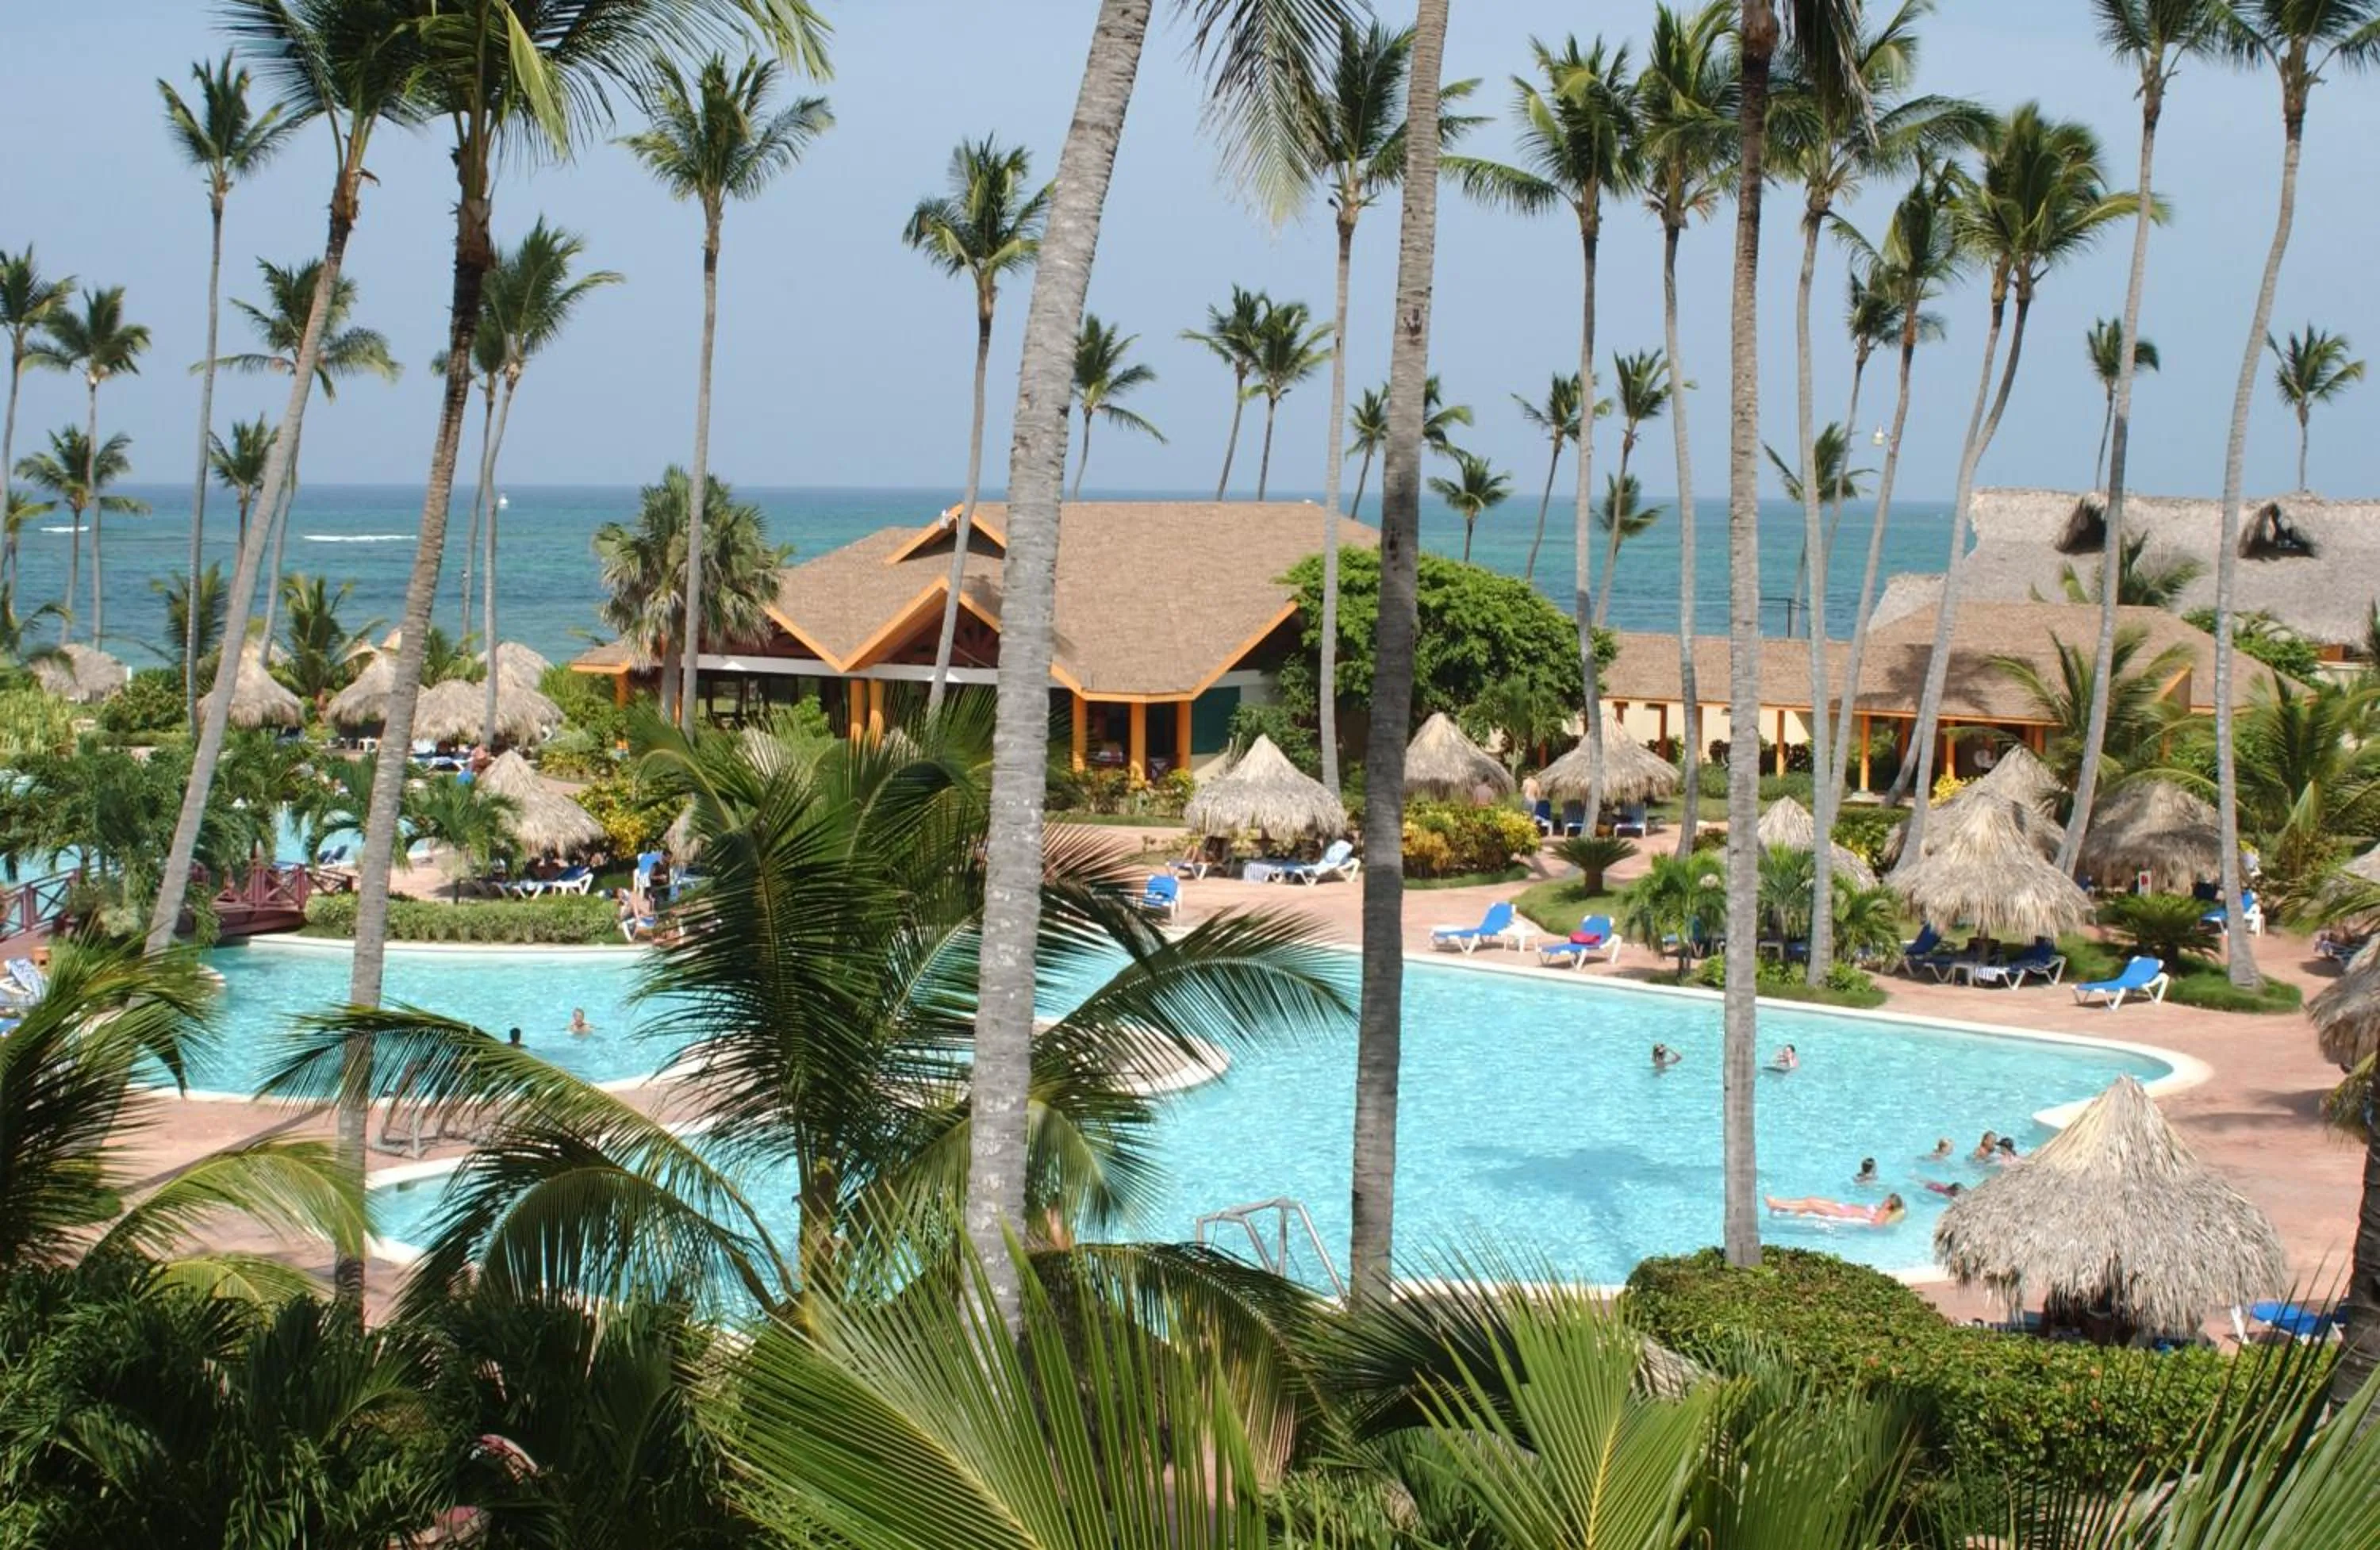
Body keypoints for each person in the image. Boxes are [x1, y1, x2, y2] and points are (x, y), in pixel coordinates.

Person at [1764, 1193, 1905, 1226]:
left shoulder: (1883, 1214)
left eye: (1887, 1199)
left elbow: (1876, 1225)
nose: (1884, 1200)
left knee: (1812, 1205)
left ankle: (1777, 1204)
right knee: (1811, 1199)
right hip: (1843, 1207)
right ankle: (1781, 1205)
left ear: (1889, 1204)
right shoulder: (1880, 1208)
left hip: (1842, 1214)